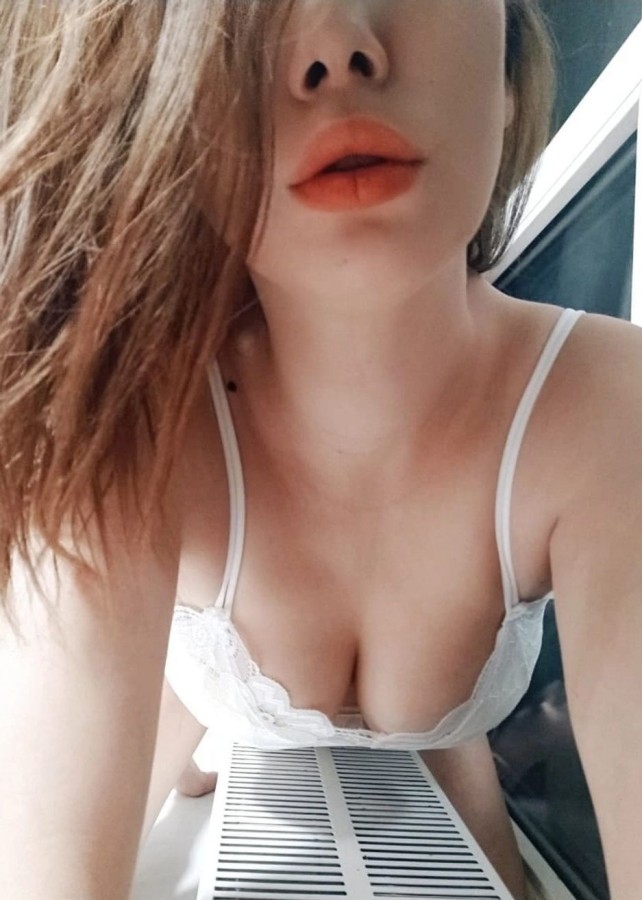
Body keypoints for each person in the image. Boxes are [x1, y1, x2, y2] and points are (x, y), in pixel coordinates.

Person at [1, 2, 640, 899]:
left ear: (507, 78)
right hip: (196, 727)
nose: (337, 48)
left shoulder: (605, 404)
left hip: (451, 767)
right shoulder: (131, 417)